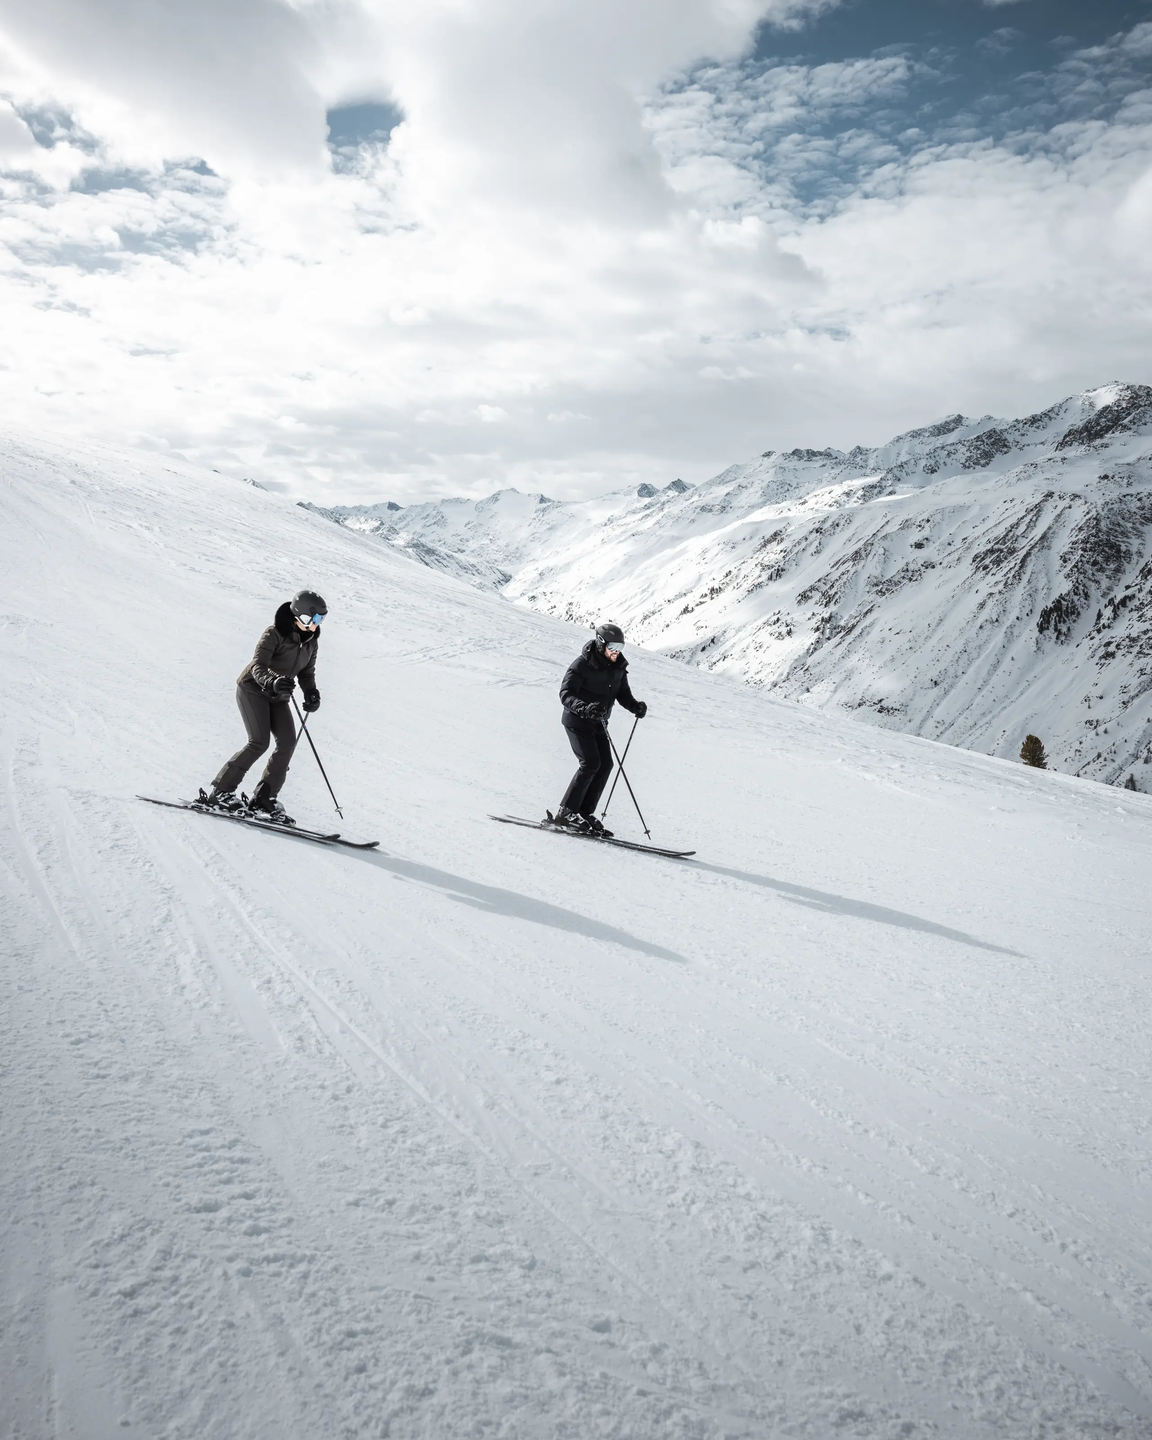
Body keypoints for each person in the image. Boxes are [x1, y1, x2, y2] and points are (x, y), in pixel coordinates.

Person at [205, 590, 327, 825]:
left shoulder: (312, 641)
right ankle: (220, 791)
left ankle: (264, 797)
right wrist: (271, 681)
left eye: (321, 620)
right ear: (300, 616)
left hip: (279, 696)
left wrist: (311, 692)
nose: (316, 625)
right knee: (259, 742)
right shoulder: (274, 633)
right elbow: (257, 665)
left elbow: (306, 673)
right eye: (314, 619)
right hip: (253, 689)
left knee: (288, 742)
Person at [552, 622, 647, 837]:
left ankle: (584, 813)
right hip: (577, 721)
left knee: (606, 765)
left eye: (620, 647)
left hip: (599, 722)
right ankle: (566, 812)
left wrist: (635, 706)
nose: (616, 652)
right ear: (600, 643)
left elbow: (623, 694)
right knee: (590, 763)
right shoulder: (582, 665)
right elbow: (566, 693)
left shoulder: (618, 667)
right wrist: (583, 708)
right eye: (613, 647)